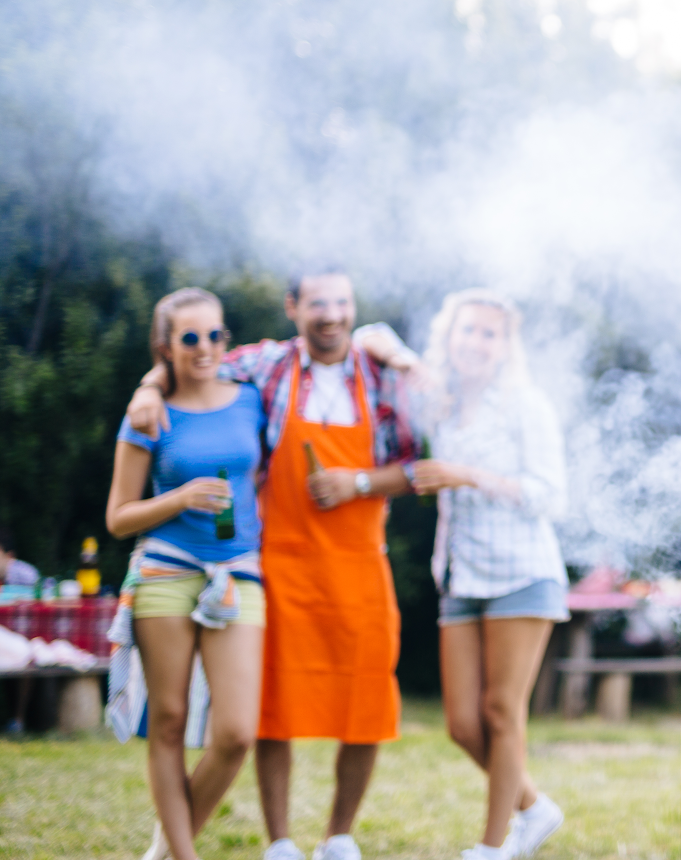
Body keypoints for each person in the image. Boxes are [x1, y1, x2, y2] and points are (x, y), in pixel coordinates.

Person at [126, 268, 417, 860]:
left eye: (341, 302)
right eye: (317, 303)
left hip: (361, 564)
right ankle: (279, 840)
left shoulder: (381, 374)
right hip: (276, 562)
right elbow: (194, 359)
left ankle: (338, 837)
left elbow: (416, 467)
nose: (330, 314)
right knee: (273, 708)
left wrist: (358, 482)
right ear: (292, 308)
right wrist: (149, 387)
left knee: (365, 702)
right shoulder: (267, 368)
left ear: (354, 307)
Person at [403, 289, 569, 859]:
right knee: (461, 725)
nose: (477, 342)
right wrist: (407, 363)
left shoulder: (526, 404)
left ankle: (492, 846)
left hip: (521, 572)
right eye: (467, 330)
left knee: (501, 710)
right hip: (460, 575)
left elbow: (549, 494)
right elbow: (371, 334)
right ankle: (535, 808)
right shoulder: (440, 400)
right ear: (449, 338)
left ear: (505, 347)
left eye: (490, 334)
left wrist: (468, 475)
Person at [107, 288, 267, 860]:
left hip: (237, 575)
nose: (204, 349)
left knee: (236, 733)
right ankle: (182, 854)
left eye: (214, 336)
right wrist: (179, 498)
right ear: (166, 347)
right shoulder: (149, 414)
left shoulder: (252, 401)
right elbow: (119, 517)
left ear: (227, 339)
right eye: (190, 338)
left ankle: (164, 851)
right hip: (165, 574)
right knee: (170, 723)